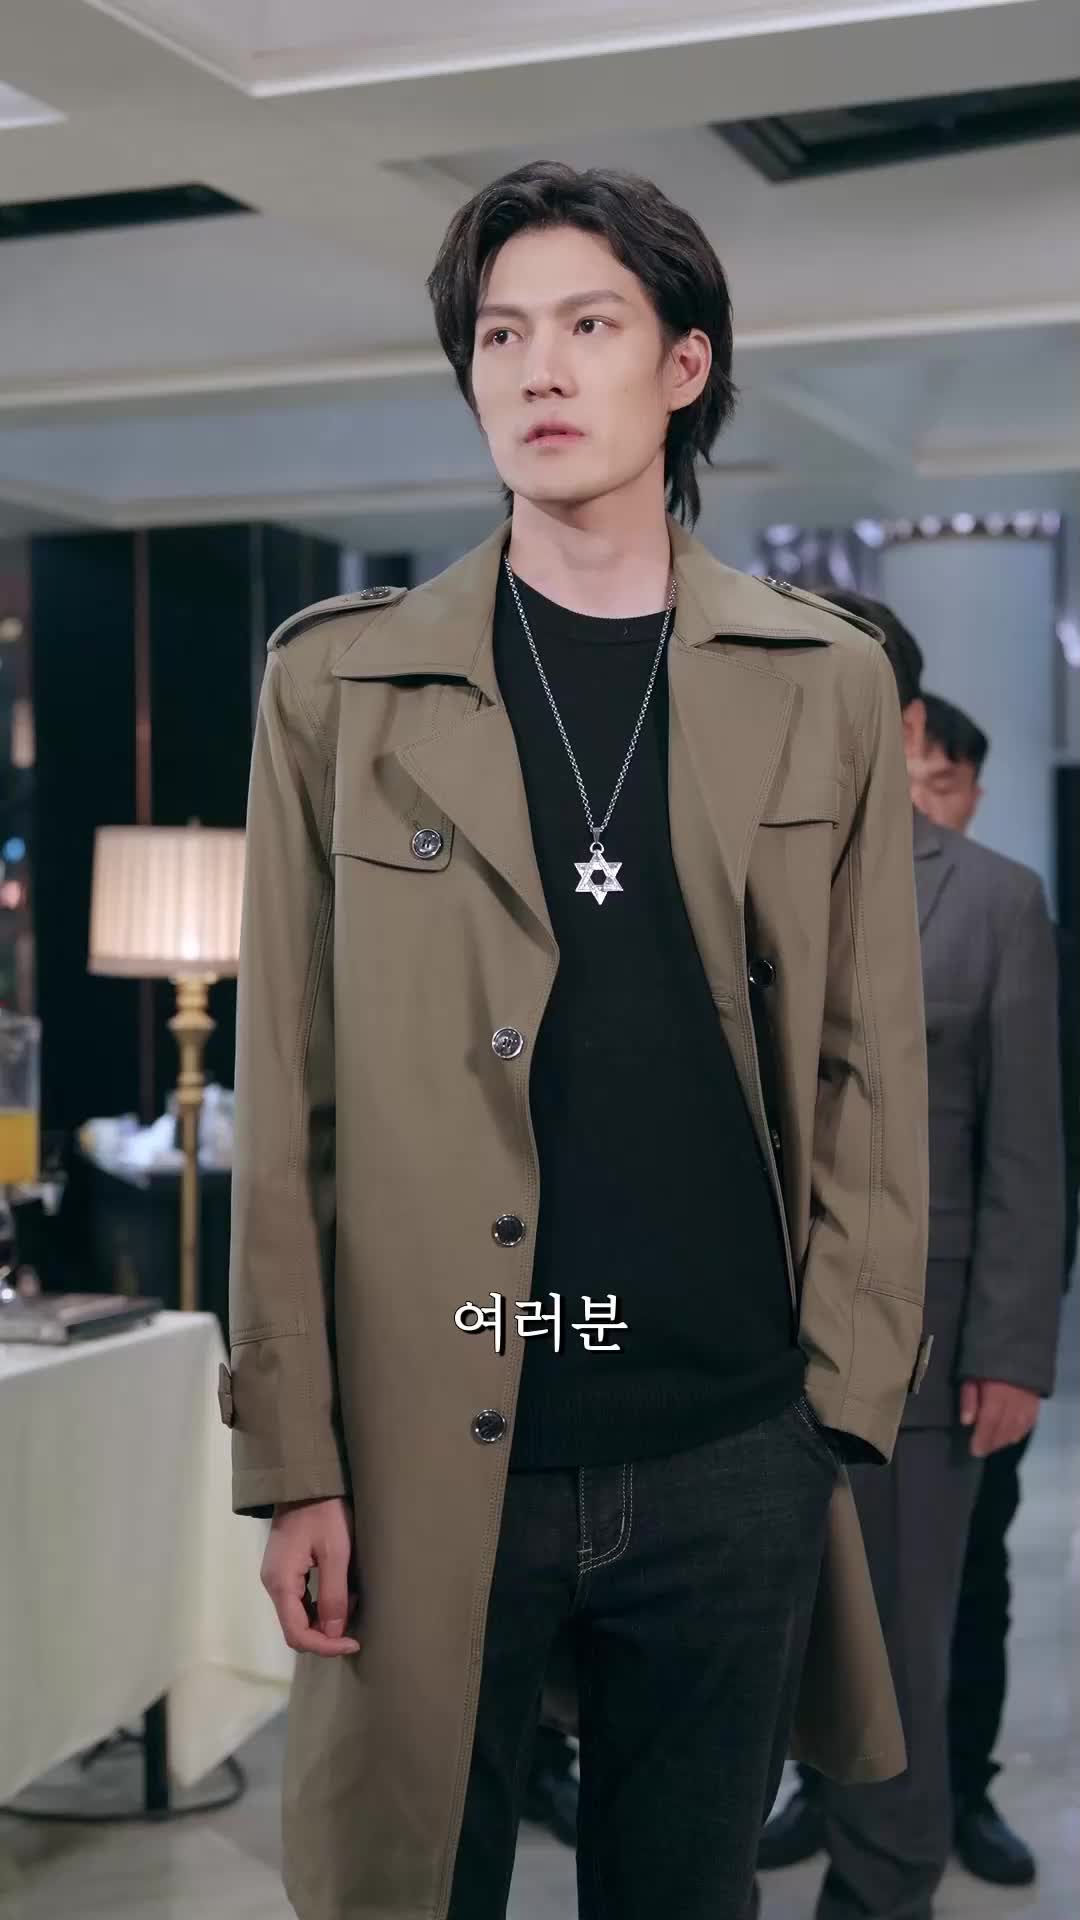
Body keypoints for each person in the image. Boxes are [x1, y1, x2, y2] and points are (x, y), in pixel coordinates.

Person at [224, 162, 930, 1920]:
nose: (536, 369)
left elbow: (868, 1071)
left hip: (731, 1444)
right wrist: (294, 1460)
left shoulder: (824, 680)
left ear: (685, 366)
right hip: (427, 1442)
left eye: (590, 326)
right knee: (403, 1886)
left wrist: (836, 1412)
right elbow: (288, 1101)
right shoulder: (337, 688)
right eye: (499, 335)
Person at [758, 606, 1064, 1919]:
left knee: (894, 1656)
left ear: (904, 721)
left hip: (923, 1351)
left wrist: (1012, 1351)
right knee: (737, 1656)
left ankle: (885, 1891)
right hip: (730, 1348)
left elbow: (1026, 1149)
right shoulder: (721, 870)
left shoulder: (993, 901)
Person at [911, 690, 1080, 1886]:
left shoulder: (1018, 922)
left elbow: (1042, 1155)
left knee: (972, 1574)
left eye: (944, 786)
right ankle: (826, 1784)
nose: (926, 806)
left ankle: (961, 1789)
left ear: (973, 793)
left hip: (975, 1325)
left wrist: (1015, 1342)